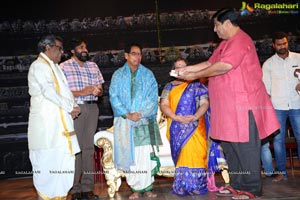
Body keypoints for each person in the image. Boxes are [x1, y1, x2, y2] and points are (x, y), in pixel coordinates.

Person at [175, 8, 280, 199]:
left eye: (216, 25)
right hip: (227, 109)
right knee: (231, 149)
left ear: (227, 24)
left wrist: (195, 75)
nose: (215, 30)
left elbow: (224, 66)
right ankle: (237, 184)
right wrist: (186, 70)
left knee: (245, 149)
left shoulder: (241, 41)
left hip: (243, 106)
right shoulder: (225, 44)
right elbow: (210, 63)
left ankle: (251, 189)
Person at [27, 34, 81, 200]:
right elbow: (48, 91)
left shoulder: (55, 67)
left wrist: (74, 105)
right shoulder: (39, 66)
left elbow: (65, 91)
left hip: (60, 128)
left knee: (63, 166)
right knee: (48, 168)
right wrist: (69, 106)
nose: (62, 52)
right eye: (59, 48)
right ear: (47, 48)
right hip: (47, 130)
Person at [109, 43, 162, 199]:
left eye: (139, 54)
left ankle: (148, 187)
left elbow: (153, 98)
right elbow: (113, 96)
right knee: (131, 156)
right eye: (134, 53)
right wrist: (127, 114)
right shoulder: (118, 75)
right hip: (125, 123)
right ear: (126, 55)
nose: (137, 57)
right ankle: (135, 189)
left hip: (143, 122)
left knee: (144, 155)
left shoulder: (148, 75)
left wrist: (140, 114)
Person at [60, 38, 104, 200]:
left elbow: (100, 89)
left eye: (86, 46)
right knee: (75, 150)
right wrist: (82, 92)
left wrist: (98, 91)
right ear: (73, 51)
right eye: (81, 47)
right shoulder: (63, 67)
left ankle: (87, 187)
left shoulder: (93, 66)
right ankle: (75, 188)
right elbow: (60, 93)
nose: (85, 49)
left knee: (88, 149)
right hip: (75, 110)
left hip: (92, 108)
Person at [160, 58, 210, 196]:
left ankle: (198, 184)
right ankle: (182, 185)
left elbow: (204, 103)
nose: (181, 70)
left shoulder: (197, 85)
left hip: (196, 125)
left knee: (197, 153)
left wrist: (195, 117)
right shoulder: (169, 87)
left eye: (184, 67)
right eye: (178, 67)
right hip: (176, 126)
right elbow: (164, 104)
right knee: (182, 155)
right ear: (173, 71)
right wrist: (176, 117)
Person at [262, 31, 300, 182]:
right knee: (278, 141)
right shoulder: (268, 64)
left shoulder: (298, 58)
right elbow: (266, 90)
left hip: (297, 104)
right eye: (279, 45)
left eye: (284, 43)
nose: (282, 46)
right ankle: (282, 172)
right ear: (273, 46)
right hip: (278, 107)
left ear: (287, 43)